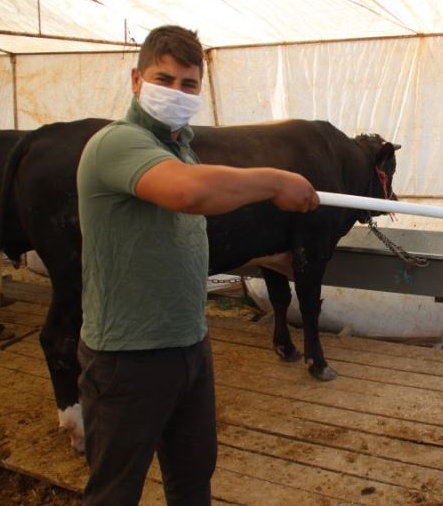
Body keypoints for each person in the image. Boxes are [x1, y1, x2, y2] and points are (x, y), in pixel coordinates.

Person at [76, 25, 319, 505]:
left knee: (192, 478)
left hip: (189, 343)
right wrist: (275, 180)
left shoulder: (180, 147)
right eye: (163, 79)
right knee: (115, 490)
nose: (176, 93)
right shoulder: (117, 143)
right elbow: (189, 192)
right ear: (134, 80)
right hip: (128, 356)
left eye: (188, 85)